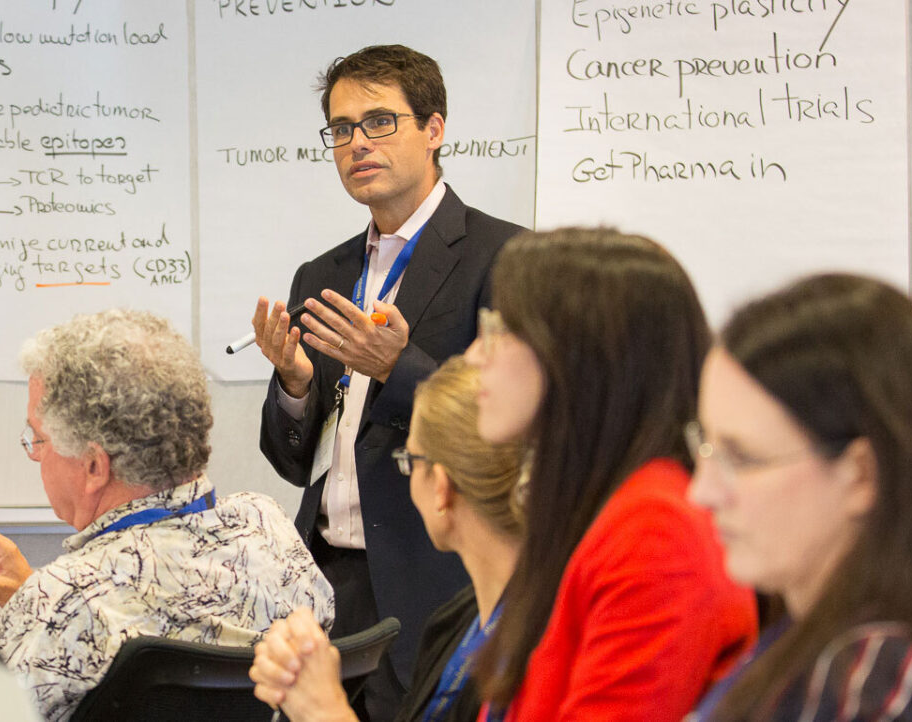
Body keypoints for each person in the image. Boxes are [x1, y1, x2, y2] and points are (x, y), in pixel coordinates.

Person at [0, 309, 334, 721]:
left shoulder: (63, 599)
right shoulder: (267, 527)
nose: (35, 455)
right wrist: (33, 591)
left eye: (36, 439)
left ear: (92, 466)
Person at [253, 43, 527, 719]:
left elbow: (510, 430)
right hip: (325, 579)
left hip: (434, 579)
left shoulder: (508, 258)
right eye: (341, 130)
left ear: (434, 129)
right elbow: (293, 461)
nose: (356, 145)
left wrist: (395, 370)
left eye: (379, 122)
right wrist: (293, 384)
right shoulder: (322, 272)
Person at [684, 274, 912, 721]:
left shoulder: (867, 684)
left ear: (860, 475)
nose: (702, 492)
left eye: (742, 457)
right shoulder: (831, 643)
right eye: (705, 445)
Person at [465, 228, 757, 720]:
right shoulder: (605, 508)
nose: (475, 356)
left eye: (501, 331)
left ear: (580, 352)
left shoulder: (657, 534)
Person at [251, 357, 525, 722]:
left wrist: (324, 710)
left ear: (441, 487)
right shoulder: (460, 621)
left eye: (408, 460)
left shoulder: (537, 646)